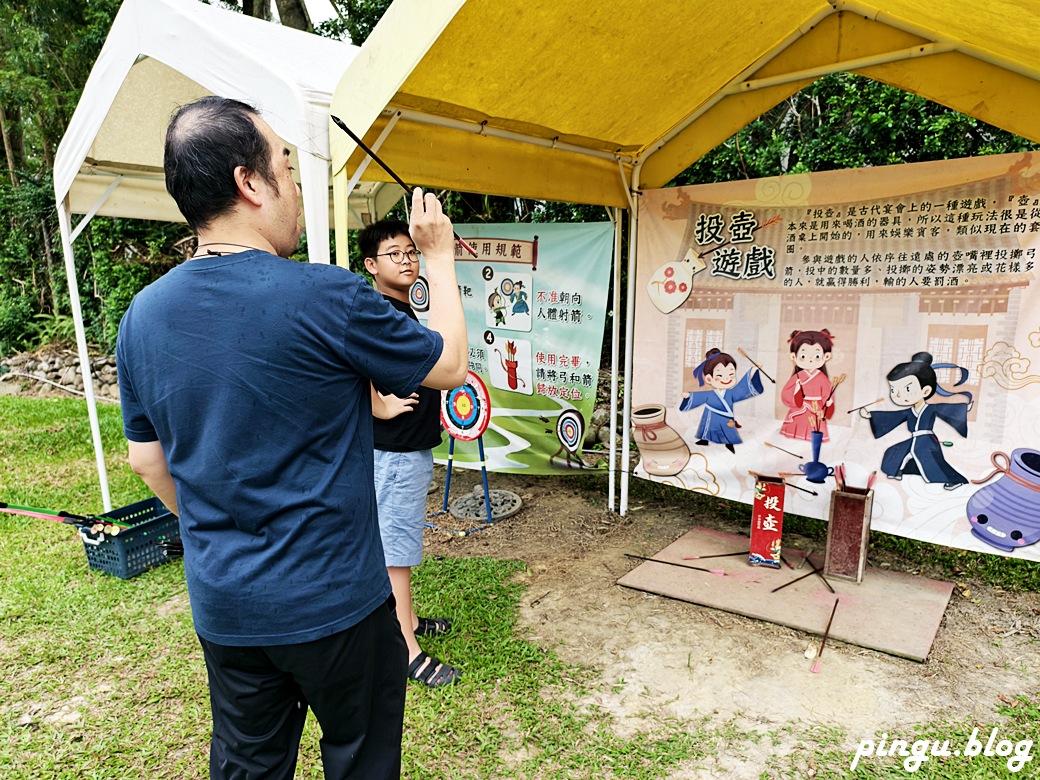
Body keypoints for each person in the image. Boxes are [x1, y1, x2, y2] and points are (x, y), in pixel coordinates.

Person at [115, 96, 467, 780]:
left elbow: (145, 459)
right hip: (337, 599)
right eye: (286, 164)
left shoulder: (142, 316)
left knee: (249, 765)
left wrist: (222, 533)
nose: (297, 186)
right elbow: (448, 365)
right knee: (361, 758)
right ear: (250, 183)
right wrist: (439, 255)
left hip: (226, 605)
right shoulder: (325, 295)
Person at [361, 219, 461, 689]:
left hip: (410, 449)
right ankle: (406, 650)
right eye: (393, 254)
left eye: (410, 252)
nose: (405, 260)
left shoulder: (399, 311)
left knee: (400, 544)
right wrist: (377, 406)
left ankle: (410, 621)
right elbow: (347, 367)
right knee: (395, 553)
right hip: (396, 452)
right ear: (370, 265)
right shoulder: (378, 312)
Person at [860, 351, 972, 490]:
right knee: (894, 451)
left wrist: (963, 409)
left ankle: (955, 480)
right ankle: (896, 471)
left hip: (926, 440)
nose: (898, 395)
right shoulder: (908, 411)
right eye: (894, 390)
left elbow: (947, 410)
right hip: (914, 439)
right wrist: (871, 415)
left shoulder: (931, 408)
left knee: (933, 461)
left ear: (925, 391)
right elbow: (893, 416)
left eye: (907, 388)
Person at [679, 348, 763, 453]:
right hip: (711, 416)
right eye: (720, 375)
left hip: (726, 417)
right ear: (709, 379)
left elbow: (742, 387)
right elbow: (699, 397)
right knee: (708, 428)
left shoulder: (731, 393)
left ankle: (729, 444)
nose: (726, 379)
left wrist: (753, 370)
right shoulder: (710, 394)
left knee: (728, 430)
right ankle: (704, 440)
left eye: (731, 374)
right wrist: (688, 396)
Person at [779, 328, 837, 441]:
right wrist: (796, 391)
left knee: (813, 435)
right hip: (798, 412)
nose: (810, 360)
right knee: (792, 441)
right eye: (803, 356)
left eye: (816, 356)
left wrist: (829, 404)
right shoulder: (797, 377)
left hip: (816, 414)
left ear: (826, 356)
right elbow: (785, 395)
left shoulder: (822, 379)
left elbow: (828, 397)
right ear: (793, 357)